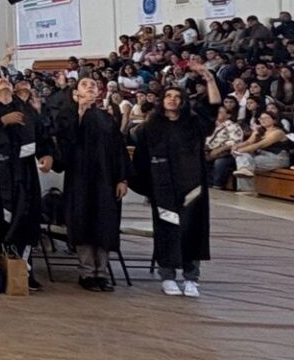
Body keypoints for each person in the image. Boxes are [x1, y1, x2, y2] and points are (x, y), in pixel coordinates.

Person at [131, 62, 221, 297]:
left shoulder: (193, 124)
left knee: (193, 230)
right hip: (163, 189)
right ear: (162, 100)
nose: (172, 100)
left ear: (183, 101)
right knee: (166, 231)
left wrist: (209, 79)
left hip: (192, 188)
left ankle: (191, 278)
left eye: (177, 96)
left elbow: (213, 107)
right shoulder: (149, 128)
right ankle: (168, 276)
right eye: (168, 96)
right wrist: (147, 188)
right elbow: (141, 160)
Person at [0, 52, 50, 291]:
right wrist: (2, 122)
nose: (2, 82)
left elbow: (41, 134)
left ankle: (23, 271)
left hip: (23, 171)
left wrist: (47, 154)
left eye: (4, 80)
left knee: (25, 217)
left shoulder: (26, 109)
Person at [50, 76, 130, 291]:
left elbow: (118, 150)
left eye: (93, 85)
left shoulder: (106, 118)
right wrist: (80, 112)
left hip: (106, 179)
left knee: (104, 223)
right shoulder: (66, 115)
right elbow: (65, 145)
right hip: (80, 179)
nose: (90, 87)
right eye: (84, 85)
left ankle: (101, 273)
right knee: (83, 222)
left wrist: (122, 178)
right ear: (76, 93)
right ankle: (86, 272)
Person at [232, 111, 291, 176]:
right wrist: (236, 147)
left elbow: (260, 144)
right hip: (260, 155)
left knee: (246, 163)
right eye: (261, 118)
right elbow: (248, 142)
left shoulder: (278, 132)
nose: (263, 120)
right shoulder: (259, 131)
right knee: (242, 159)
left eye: (266, 118)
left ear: (274, 121)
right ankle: (244, 172)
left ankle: (245, 171)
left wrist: (241, 150)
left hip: (277, 157)